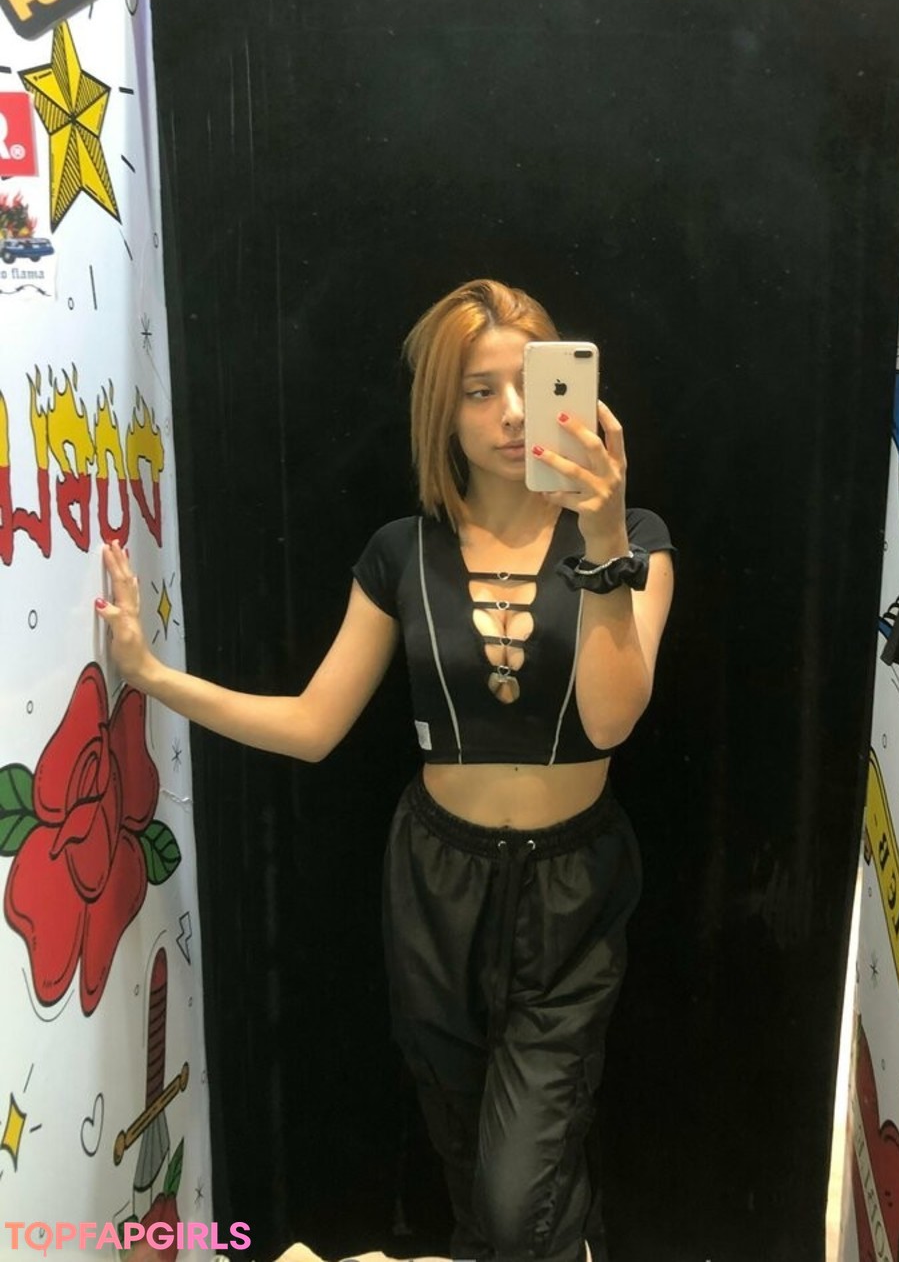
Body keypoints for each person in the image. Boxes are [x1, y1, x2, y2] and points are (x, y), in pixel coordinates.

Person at [97, 279, 675, 1262]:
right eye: (478, 390)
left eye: (531, 384)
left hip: (572, 893)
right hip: (434, 883)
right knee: (465, 1153)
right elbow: (314, 724)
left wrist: (607, 537)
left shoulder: (636, 540)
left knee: (518, 1192)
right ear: (441, 410)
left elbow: (612, 718)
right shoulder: (401, 553)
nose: (511, 413)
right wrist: (153, 676)